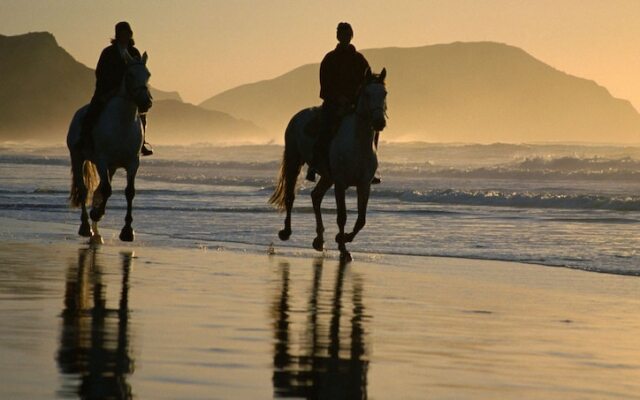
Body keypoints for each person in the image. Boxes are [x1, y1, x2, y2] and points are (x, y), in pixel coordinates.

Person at [306, 22, 380, 184]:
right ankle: (314, 165)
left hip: (355, 104)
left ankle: (370, 168)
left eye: (347, 34)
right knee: (326, 127)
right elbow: (325, 85)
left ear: (351, 36)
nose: (345, 37)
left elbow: (367, 81)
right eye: (342, 34)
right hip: (333, 103)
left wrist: (358, 98)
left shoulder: (360, 60)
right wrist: (339, 98)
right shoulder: (330, 59)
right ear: (338, 36)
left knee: (373, 128)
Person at [80, 21, 153, 156]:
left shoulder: (134, 52)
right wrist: (113, 87)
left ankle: (142, 143)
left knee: (142, 112)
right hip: (108, 89)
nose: (124, 36)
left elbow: (137, 72)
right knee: (93, 110)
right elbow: (100, 72)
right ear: (117, 35)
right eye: (121, 33)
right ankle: (85, 141)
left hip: (129, 91)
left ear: (130, 35)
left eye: (127, 33)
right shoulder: (108, 52)